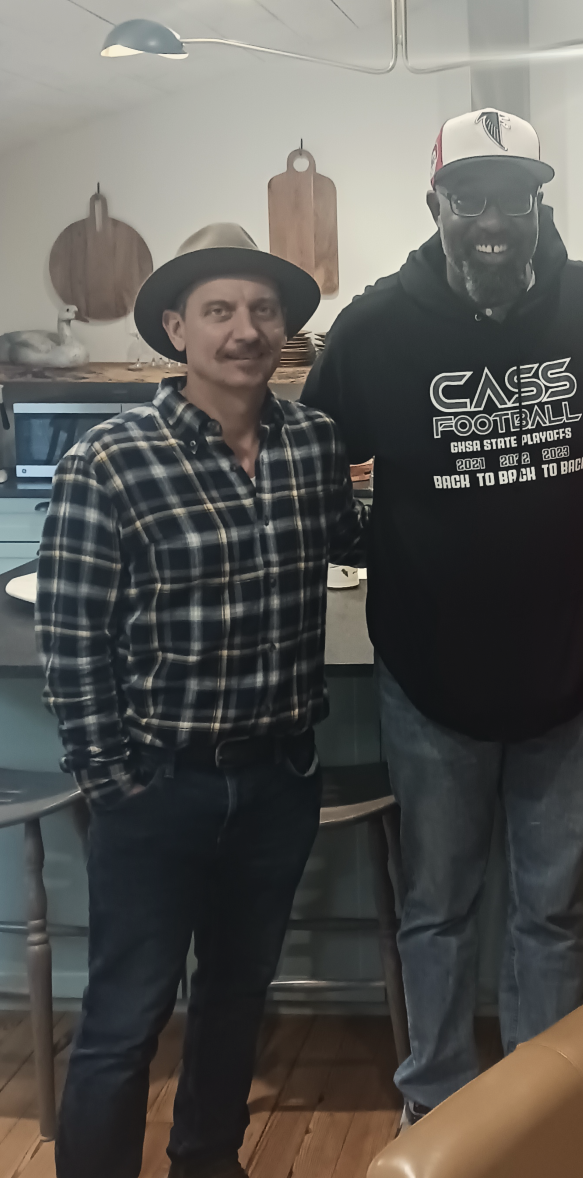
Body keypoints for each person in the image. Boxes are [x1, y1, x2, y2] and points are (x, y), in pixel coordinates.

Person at [302, 108, 583, 1124]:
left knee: (553, 908)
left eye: (515, 199)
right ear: (436, 206)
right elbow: (312, 459)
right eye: (471, 199)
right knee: (438, 907)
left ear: (539, 208)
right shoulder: (376, 325)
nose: (493, 221)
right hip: (431, 672)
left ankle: (539, 1114)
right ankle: (440, 1107)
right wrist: (363, 541)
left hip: (570, 666)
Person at [37, 224, 367, 1178]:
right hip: (158, 786)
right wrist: (112, 778)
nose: (244, 330)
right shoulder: (110, 459)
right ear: (177, 330)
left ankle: (207, 1163)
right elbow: (71, 637)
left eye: (262, 310)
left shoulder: (313, 444)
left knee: (235, 996)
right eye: (219, 311)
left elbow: (355, 541)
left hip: (278, 779)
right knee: (126, 1015)